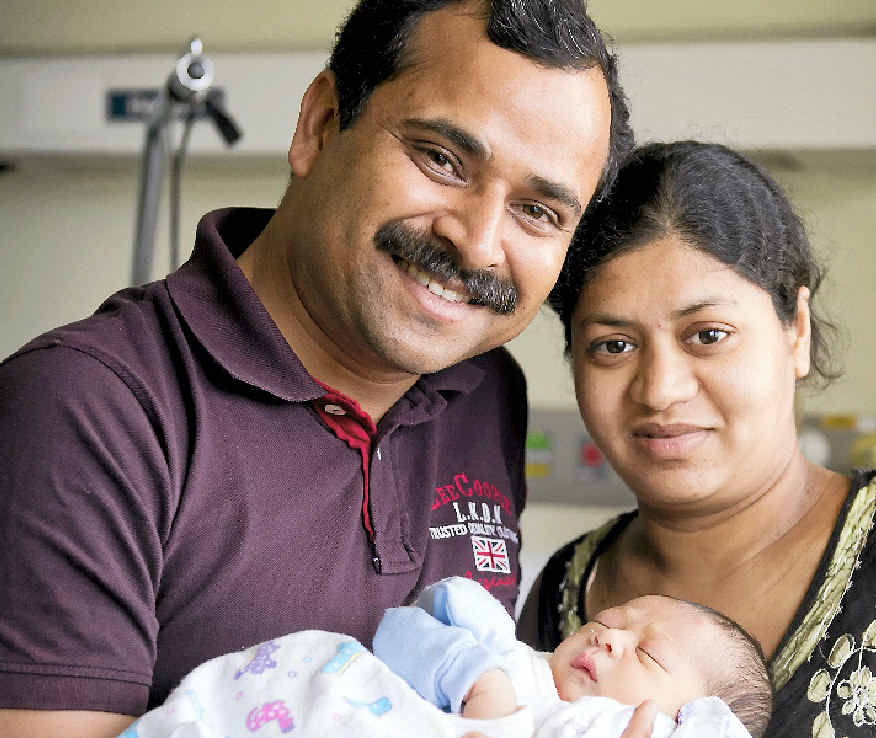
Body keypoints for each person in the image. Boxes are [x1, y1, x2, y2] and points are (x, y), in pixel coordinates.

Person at [0, 1, 638, 736]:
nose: (477, 243)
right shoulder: (90, 410)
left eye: (539, 211)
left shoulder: (485, 394)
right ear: (321, 123)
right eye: (441, 159)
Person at [517, 141, 876, 738]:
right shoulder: (564, 595)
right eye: (614, 345)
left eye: (708, 334)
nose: (659, 390)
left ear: (797, 331)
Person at [118, 576, 770, 738]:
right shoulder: (508, 658)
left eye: (647, 654)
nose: (609, 637)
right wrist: (476, 679)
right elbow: (402, 627)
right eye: (610, 620)